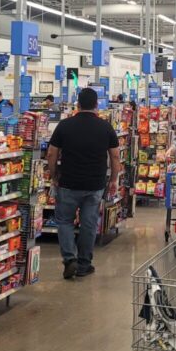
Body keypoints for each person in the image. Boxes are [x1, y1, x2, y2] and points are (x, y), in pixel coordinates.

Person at [47, 88, 123, 280]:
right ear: (97, 105)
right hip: (94, 184)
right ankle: (84, 264)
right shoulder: (106, 127)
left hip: (68, 183)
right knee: (89, 224)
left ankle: (69, 259)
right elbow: (115, 156)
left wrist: (54, 175)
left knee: (64, 221)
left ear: (77, 104)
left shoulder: (64, 125)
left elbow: (51, 153)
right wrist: (114, 179)